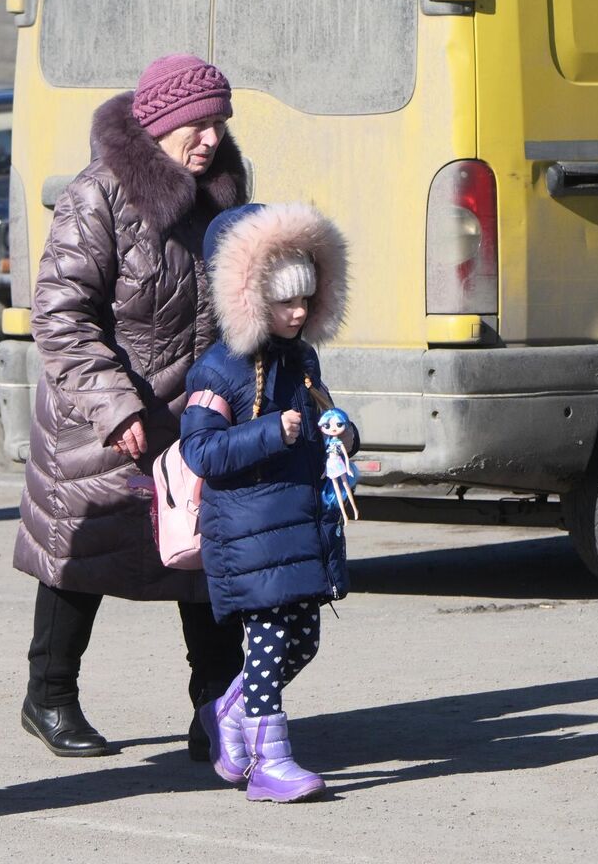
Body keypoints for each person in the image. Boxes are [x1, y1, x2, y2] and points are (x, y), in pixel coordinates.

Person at [14, 53, 249, 762]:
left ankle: (218, 707)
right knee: (81, 557)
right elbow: (60, 316)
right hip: (104, 416)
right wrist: (116, 408)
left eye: (219, 123)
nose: (210, 138)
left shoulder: (227, 192)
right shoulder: (98, 197)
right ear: (158, 123)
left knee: (209, 565)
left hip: (196, 416)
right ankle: (49, 694)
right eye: (196, 124)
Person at [182, 202, 353, 803]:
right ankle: (266, 764)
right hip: (248, 532)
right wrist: (268, 433)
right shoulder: (218, 368)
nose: (299, 312)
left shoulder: (301, 359)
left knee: (303, 637)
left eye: (306, 298)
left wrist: (340, 429)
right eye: (285, 301)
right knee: (272, 638)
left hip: (298, 523)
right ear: (249, 296)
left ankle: (230, 714)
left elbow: (317, 417)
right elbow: (200, 451)